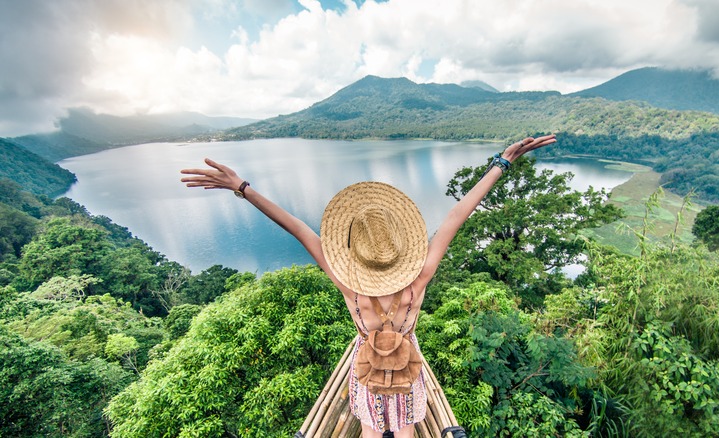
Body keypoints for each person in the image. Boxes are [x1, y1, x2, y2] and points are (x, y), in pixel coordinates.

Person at [180, 134, 556, 437]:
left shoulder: (349, 286)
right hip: (408, 367)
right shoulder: (419, 277)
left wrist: (242, 187)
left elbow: (297, 227)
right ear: (400, 247)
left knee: (373, 429)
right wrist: (501, 164)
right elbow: (458, 214)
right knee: (407, 427)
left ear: (355, 253)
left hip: (366, 370)